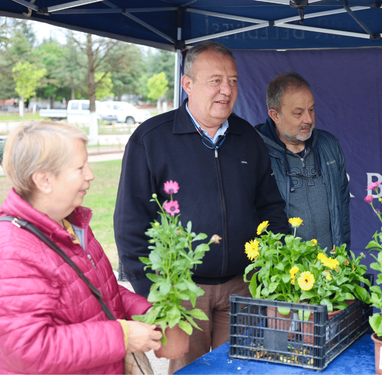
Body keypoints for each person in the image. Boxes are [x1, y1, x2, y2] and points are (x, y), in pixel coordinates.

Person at [113, 41, 290, 372]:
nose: (226, 90)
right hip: (183, 293)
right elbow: (130, 225)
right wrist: (155, 294)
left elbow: (270, 208)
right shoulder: (150, 139)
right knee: (189, 371)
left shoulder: (248, 138)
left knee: (242, 368)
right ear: (188, 83)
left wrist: (272, 270)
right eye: (216, 80)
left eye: (233, 80)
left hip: (243, 286)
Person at [0, 121, 162, 374]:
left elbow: (99, 292)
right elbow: (28, 350)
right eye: (80, 167)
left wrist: (150, 313)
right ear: (44, 180)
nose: (90, 175)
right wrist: (122, 336)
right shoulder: (13, 251)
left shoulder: (69, 224)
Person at [255, 72, 350, 250]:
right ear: (275, 115)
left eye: (311, 110)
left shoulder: (329, 145)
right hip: (284, 271)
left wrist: (343, 254)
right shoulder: (255, 150)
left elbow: (342, 208)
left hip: (330, 267)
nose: (308, 119)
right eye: (298, 113)